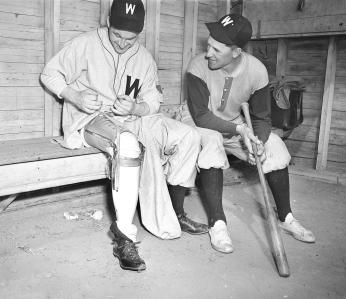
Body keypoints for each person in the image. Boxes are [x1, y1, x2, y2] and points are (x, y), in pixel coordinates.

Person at [40, 0, 208, 272]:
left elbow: (153, 102)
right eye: (117, 35)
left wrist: (136, 107)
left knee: (188, 135)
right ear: (108, 22)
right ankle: (124, 235)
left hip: (132, 119)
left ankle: (176, 212)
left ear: (139, 34)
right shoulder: (85, 44)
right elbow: (49, 73)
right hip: (92, 120)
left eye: (130, 39)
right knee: (128, 145)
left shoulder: (143, 57)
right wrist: (75, 95)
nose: (122, 43)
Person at [178, 13, 315, 254]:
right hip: (197, 122)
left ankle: (287, 217)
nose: (208, 53)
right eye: (208, 45)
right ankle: (218, 223)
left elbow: (262, 118)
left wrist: (258, 142)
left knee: (274, 146)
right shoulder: (197, 66)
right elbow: (200, 115)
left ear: (236, 52)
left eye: (216, 50)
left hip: (234, 123)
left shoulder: (257, 71)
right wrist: (240, 130)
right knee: (211, 143)